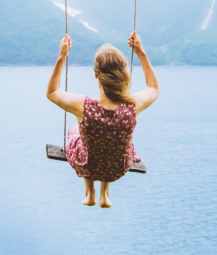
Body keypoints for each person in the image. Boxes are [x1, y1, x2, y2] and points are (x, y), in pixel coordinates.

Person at [46, 31, 160, 208]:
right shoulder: (132, 106)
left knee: (76, 130)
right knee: (112, 142)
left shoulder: (84, 106)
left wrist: (62, 56)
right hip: (117, 170)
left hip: (87, 166)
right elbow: (154, 88)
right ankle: (104, 195)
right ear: (123, 75)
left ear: (96, 75)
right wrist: (140, 52)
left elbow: (52, 93)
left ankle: (89, 193)